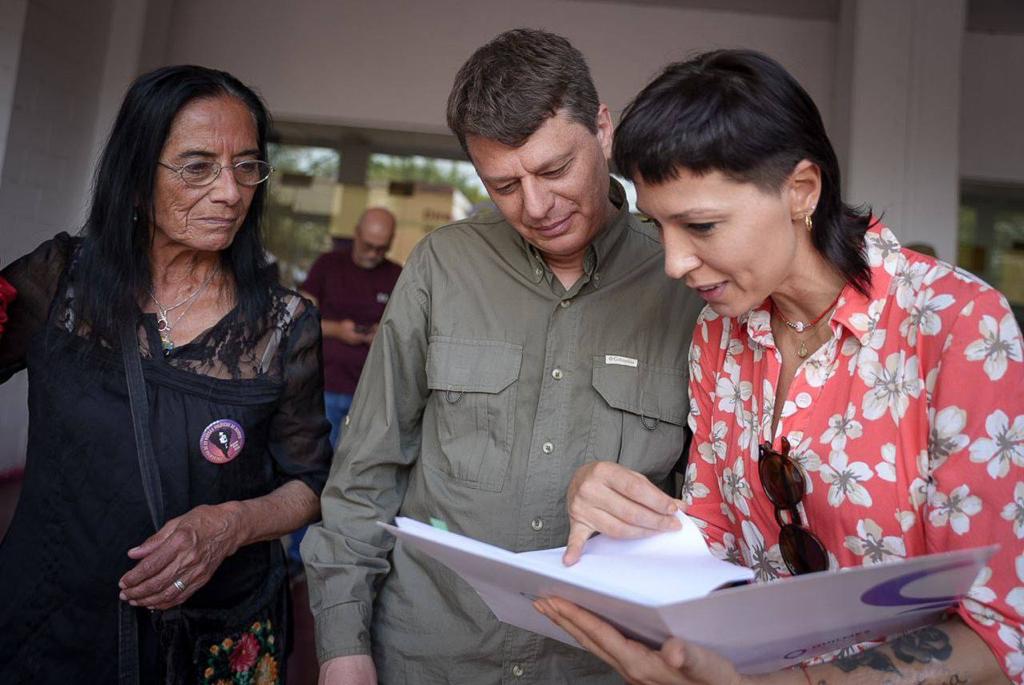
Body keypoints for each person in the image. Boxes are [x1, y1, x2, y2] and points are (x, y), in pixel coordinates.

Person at [542, 49, 1024, 684]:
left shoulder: (957, 324)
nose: (674, 263)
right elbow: (715, 536)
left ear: (801, 191)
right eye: (659, 226)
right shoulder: (720, 330)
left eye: (702, 225)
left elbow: (1000, 631)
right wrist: (622, 519)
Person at [301, 28, 703, 685]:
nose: (536, 206)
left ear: (603, 130)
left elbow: (715, 507)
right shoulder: (441, 266)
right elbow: (367, 468)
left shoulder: (685, 279)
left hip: (599, 666)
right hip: (429, 655)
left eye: (553, 170)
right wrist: (342, 647)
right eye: (504, 185)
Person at [0, 65, 332, 683]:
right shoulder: (60, 282)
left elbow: (309, 485)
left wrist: (229, 525)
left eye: (246, 166)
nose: (231, 193)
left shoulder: (284, 324)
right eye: (198, 166)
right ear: (134, 178)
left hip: (207, 639)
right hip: (50, 621)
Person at [301, 206, 401, 449]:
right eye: (368, 245)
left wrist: (384, 334)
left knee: (357, 466)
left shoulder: (397, 274)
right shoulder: (328, 264)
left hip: (372, 391)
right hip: (324, 384)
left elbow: (408, 333)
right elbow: (299, 320)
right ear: (356, 234)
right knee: (317, 461)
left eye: (381, 248)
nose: (373, 253)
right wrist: (337, 330)